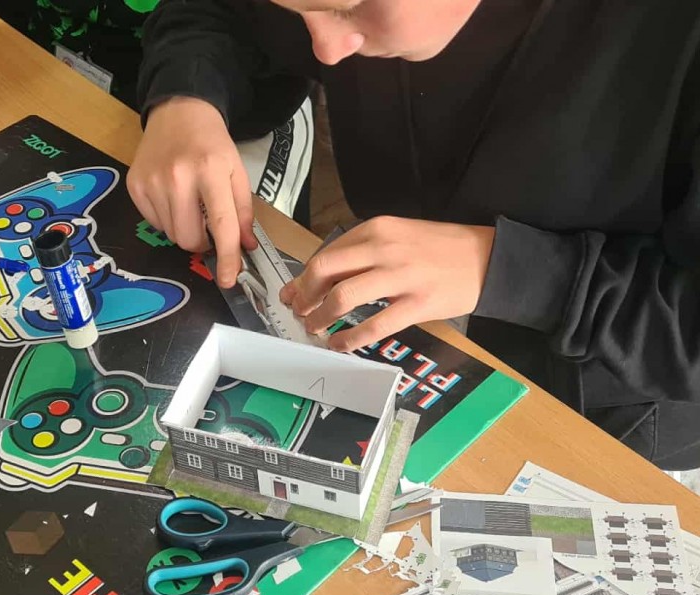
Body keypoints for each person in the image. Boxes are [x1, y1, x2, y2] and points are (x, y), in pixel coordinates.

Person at [129, 0, 700, 468]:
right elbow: (221, 14)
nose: (327, 49)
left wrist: (507, 270)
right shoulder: (340, 26)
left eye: (349, 7)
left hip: (604, 394)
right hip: (409, 325)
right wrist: (186, 97)